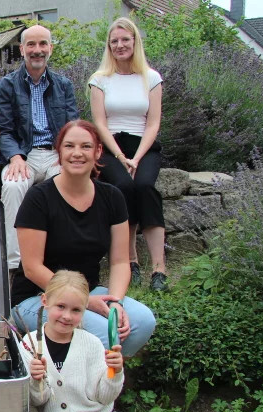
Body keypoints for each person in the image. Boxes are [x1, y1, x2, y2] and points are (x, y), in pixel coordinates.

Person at [10, 120, 156, 361]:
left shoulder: (112, 197)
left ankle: (105, 376)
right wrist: (84, 301)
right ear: (60, 152)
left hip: (89, 291)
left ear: (98, 152)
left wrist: (116, 302)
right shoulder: (39, 198)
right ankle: (84, 385)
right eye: (69, 146)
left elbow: (120, 261)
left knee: (142, 321)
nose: (77, 153)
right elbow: (32, 267)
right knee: (106, 335)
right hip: (38, 297)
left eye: (86, 146)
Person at [0, 25, 80, 275]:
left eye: (43, 44)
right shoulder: (6, 86)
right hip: (24, 154)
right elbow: (5, 131)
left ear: (50, 48)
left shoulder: (63, 85)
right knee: (11, 185)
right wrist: (15, 156)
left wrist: (66, 157)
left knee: (68, 186)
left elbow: (71, 128)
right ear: (22, 49)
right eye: (31, 45)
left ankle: (60, 261)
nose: (37, 50)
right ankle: (13, 266)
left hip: (56, 154)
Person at [89, 17, 168, 291]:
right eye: (115, 41)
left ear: (135, 41)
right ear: (109, 46)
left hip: (143, 146)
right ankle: (131, 260)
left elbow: (153, 123)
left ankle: (159, 268)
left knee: (145, 186)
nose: (120, 45)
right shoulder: (99, 80)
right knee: (122, 186)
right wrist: (121, 157)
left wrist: (136, 157)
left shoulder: (152, 78)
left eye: (125, 39)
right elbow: (99, 122)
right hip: (112, 148)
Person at [19, 270, 124, 412]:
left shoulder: (92, 343)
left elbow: (105, 397)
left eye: (76, 310)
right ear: (45, 301)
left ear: (84, 310)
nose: (67, 316)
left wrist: (115, 373)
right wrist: (37, 381)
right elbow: (38, 401)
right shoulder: (29, 344)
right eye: (61, 306)